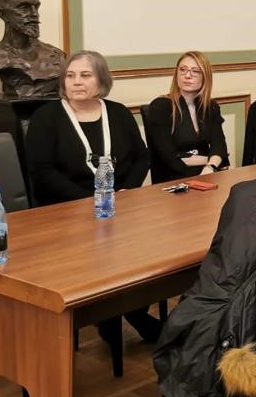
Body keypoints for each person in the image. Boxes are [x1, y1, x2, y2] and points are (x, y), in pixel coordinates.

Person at [25, 50, 158, 342]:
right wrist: (89, 201)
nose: (76, 82)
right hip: (67, 214)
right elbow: (42, 171)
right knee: (104, 249)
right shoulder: (47, 117)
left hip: (120, 207)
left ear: (101, 81)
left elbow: (142, 156)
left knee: (148, 247)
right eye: (70, 76)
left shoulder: (118, 113)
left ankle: (129, 310)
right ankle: (114, 314)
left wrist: (126, 192)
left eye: (85, 75)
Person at [145, 51, 229, 183]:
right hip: (173, 180)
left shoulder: (210, 107)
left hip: (207, 174)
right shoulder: (161, 106)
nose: (187, 75)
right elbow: (169, 158)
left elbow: (219, 147)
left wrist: (210, 167)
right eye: (183, 70)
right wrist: (212, 159)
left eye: (195, 71)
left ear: (205, 76)